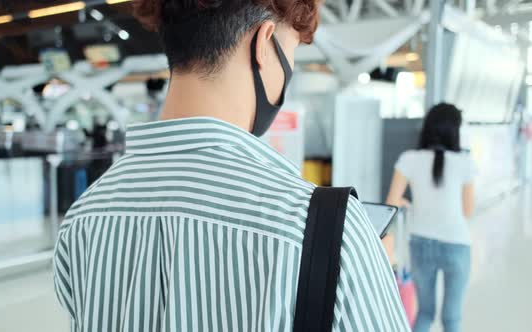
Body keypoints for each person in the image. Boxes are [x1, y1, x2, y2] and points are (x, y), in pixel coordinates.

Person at [53, 1, 410, 331]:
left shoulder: (85, 215)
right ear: (264, 43)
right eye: (290, 53)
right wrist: (367, 267)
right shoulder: (326, 226)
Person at [386, 103, 476, 332]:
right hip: (457, 245)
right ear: (454, 131)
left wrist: (413, 206)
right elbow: (467, 211)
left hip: (420, 243)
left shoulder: (409, 159)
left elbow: (392, 203)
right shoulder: (465, 164)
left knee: (425, 313)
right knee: (452, 318)